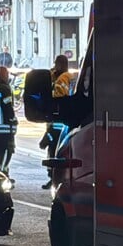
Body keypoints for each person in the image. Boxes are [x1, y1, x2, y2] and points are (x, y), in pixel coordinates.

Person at [40, 54, 73, 189]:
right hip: (61, 122)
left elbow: (57, 99)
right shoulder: (65, 77)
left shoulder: (62, 79)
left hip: (58, 123)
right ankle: (53, 177)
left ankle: (54, 177)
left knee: (54, 151)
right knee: (54, 151)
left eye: (55, 63)